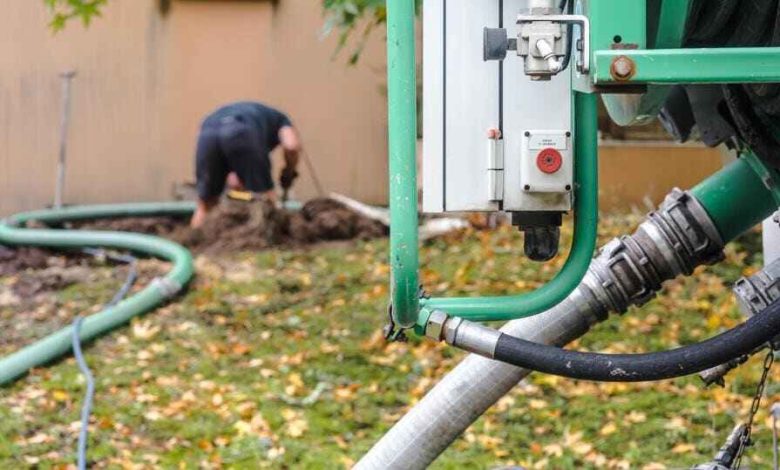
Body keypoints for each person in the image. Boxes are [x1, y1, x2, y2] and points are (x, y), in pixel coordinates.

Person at [190, 101, 301, 227]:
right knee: (265, 200)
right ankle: (271, 242)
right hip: (243, 130)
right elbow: (291, 147)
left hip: (207, 132)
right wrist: (289, 171)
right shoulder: (282, 120)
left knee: (205, 205)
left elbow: (231, 171)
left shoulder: (232, 114)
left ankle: (193, 242)